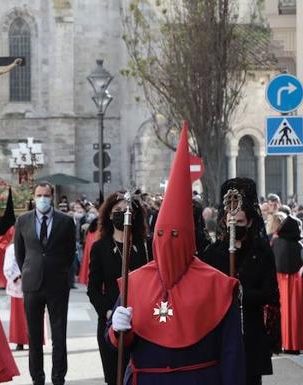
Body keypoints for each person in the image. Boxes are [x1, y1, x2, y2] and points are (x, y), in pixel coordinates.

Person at [107, 125, 244, 385]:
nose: (166, 243)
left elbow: (232, 351)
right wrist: (116, 328)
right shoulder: (134, 281)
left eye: (174, 236)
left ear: (189, 240)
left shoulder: (217, 284)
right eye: (160, 235)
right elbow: (116, 342)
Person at [201, 177, 279, 385]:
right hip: (220, 336)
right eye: (230, 221)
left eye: (240, 222)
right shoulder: (213, 254)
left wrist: (241, 293)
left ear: (251, 221)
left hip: (250, 335)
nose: (234, 225)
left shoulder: (261, 253)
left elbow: (269, 294)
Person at [14, 182, 76, 385]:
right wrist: (30, 270)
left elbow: (69, 253)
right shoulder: (23, 220)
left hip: (57, 283)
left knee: (59, 335)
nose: (42, 199)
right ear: (34, 197)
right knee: (34, 336)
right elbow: (19, 253)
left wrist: (61, 272)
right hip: (32, 283)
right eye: (39, 195)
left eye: (46, 195)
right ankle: (37, 378)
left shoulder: (65, 221)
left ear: (52, 197)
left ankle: (58, 377)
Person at [87, 191, 150, 385]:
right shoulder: (100, 247)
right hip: (111, 321)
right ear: (108, 214)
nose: (122, 213)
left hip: (143, 321)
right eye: (117, 210)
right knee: (115, 377)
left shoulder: (146, 245)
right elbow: (93, 288)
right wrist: (107, 312)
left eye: (127, 210)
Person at [271, 214, 303, 354]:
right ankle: (294, 344)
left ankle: (283, 343)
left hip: (280, 282)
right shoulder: (298, 246)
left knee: (283, 314)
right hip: (296, 283)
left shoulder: (275, 242)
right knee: (295, 314)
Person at [3, 237, 28, 351]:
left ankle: (33, 340)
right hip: (18, 284)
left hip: (34, 282)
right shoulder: (12, 248)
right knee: (19, 316)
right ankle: (20, 341)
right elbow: (8, 268)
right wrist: (17, 277)